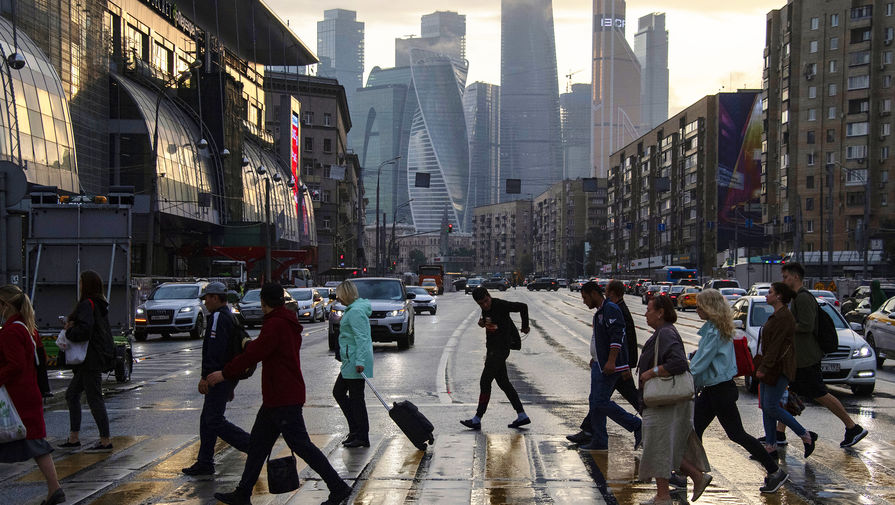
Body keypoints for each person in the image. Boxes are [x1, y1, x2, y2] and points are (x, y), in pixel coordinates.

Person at [207, 283, 352, 505]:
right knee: (257, 446)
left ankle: (338, 487)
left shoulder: (275, 325)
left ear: (264, 302)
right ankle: (243, 493)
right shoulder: (286, 322)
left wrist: (225, 374)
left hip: (283, 397)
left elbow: (254, 354)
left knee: (302, 446)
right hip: (278, 396)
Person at [689, 289, 788, 493]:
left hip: (719, 391)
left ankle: (774, 471)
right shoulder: (713, 328)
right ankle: (689, 473)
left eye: (700, 305)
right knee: (694, 430)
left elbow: (701, 363)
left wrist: (682, 378)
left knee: (736, 434)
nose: (696, 308)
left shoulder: (715, 331)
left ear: (709, 307)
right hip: (714, 390)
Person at [778, 262, 867, 448]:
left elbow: (807, 326)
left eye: (785, 277)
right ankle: (779, 434)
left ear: (795, 277)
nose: (783, 280)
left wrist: (787, 326)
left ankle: (852, 427)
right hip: (800, 357)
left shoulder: (803, 298)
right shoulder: (797, 297)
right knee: (790, 394)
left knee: (820, 394)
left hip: (807, 358)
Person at [638, 295, 711, 505]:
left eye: (649, 310)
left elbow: (678, 362)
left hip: (664, 402)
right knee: (660, 446)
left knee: (659, 446)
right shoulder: (663, 332)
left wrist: (650, 373)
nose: (646, 313)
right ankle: (694, 478)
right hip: (662, 403)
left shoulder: (667, 333)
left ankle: (664, 496)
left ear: (660, 313)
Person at [0, 285, 65, 505]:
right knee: (36, 443)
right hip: (28, 392)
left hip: (15, 397)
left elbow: (14, 364)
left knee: (35, 442)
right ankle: (54, 487)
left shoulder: (10, 331)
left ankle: (55, 488)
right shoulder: (28, 328)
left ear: (6, 306)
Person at [182, 282, 250, 476]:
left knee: (213, 420)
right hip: (225, 376)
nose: (205, 302)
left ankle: (252, 445)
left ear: (215, 297)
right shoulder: (229, 316)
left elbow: (215, 350)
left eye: (207, 298)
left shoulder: (219, 317)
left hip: (217, 376)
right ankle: (204, 461)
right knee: (207, 419)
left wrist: (207, 377)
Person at [568, 280, 641, 446]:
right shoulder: (600, 311)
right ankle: (599, 440)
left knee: (600, 401)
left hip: (610, 366)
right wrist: (596, 357)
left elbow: (618, 337)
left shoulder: (611, 309)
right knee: (595, 401)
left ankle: (636, 425)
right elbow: (601, 339)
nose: (584, 301)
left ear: (594, 294)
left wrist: (611, 360)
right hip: (600, 364)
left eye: (585, 297)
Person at [756, 282, 817, 463]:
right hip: (773, 366)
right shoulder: (777, 315)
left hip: (779, 368)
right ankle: (771, 446)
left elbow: (776, 346)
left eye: (770, 292)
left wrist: (763, 367)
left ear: (779, 296)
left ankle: (805, 435)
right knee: (767, 408)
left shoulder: (784, 317)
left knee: (771, 406)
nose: (767, 295)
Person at [460, 286, 530, 430]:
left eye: (486, 301)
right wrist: (482, 323)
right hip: (492, 348)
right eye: (481, 304)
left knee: (485, 381)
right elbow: (488, 320)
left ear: (489, 295)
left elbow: (523, 307)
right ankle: (522, 415)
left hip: (500, 349)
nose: (485, 305)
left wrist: (525, 326)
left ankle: (477, 418)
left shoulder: (500, 304)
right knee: (504, 383)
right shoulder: (485, 309)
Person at [61, 270, 115, 452]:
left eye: (81, 282)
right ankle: (74, 437)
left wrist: (69, 331)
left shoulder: (87, 304)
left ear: (87, 285)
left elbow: (85, 330)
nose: (79, 285)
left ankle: (105, 440)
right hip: (93, 358)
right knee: (72, 395)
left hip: (89, 359)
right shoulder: (100, 304)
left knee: (94, 398)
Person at [333, 280, 374, 448]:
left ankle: (361, 435)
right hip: (351, 360)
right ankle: (356, 431)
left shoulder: (356, 311)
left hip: (356, 361)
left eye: (339, 294)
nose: (338, 298)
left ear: (346, 294)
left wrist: (360, 361)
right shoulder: (353, 309)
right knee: (341, 393)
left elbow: (362, 338)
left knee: (355, 399)